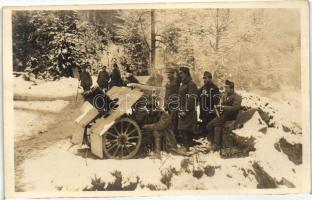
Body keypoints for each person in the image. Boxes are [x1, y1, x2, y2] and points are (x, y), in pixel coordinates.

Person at [207, 80, 242, 151]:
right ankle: (211, 142)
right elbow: (221, 104)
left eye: (227, 88)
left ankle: (216, 145)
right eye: (225, 87)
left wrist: (223, 107)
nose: (225, 89)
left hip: (231, 115)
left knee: (217, 123)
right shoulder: (225, 95)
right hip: (223, 114)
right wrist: (215, 109)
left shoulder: (237, 97)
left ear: (232, 88)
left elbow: (235, 108)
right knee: (209, 125)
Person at [177, 66, 198, 151]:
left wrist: (185, 110)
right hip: (182, 109)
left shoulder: (191, 84)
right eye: (179, 73)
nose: (180, 75)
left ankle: (186, 147)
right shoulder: (184, 84)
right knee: (183, 128)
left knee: (186, 129)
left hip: (189, 111)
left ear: (186, 74)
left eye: (181, 73)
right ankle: (186, 146)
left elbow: (192, 99)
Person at [198, 71, 220, 138]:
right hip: (203, 110)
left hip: (210, 111)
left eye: (206, 78)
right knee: (204, 124)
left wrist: (208, 95)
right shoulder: (203, 87)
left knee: (210, 125)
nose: (204, 80)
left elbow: (216, 100)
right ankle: (205, 138)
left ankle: (210, 139)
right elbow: (198, 95)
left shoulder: (215, 88)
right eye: (203, 78)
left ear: (210, 78)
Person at [164, 67, 180, 136]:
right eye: (167, 74)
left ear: (173, 74)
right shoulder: (167, 82)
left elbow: (179, 77)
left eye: (170, 73)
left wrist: (176, 69)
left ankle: (174, 135)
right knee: (170, 119)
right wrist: (165, 103)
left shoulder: (176, 80)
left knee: (174, 119)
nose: (168, 75)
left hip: (175, 103)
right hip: (169, 103)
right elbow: (166, 93)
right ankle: (172, 134)